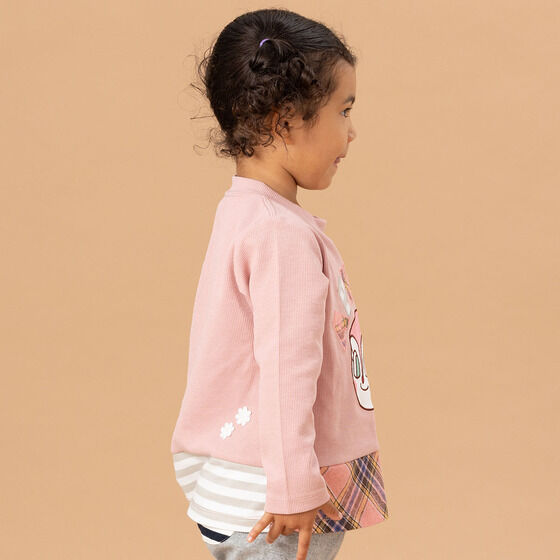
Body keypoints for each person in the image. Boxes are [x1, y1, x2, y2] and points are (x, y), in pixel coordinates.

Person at [170, 8, 389, 560]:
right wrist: (292, 486)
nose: (352, 131)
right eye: (344, 110)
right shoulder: (280, 235)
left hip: (241, 485)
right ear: (285, 121)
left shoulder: (243, 212)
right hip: (275, 500)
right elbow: (287, 369)